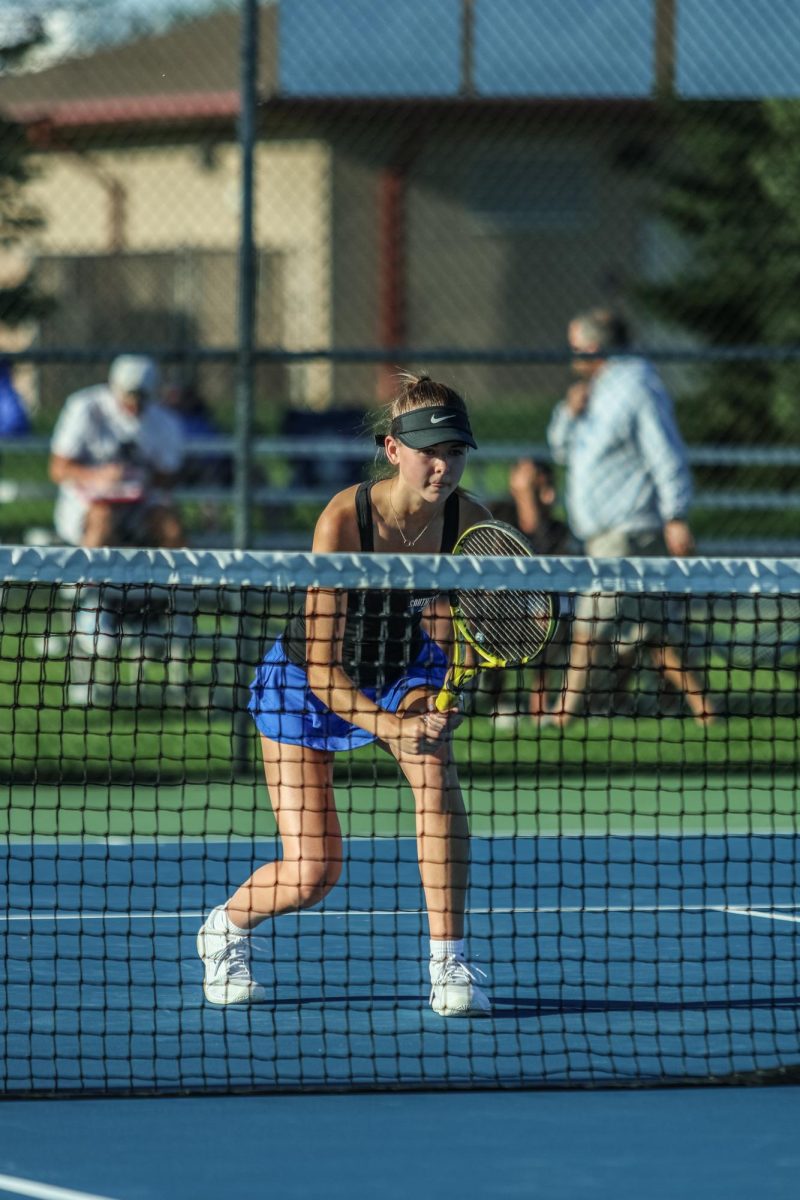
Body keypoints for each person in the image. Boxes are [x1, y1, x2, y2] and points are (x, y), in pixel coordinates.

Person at [197, 374, 494, 1017]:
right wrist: (390, 727)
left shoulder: (470, 521)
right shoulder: (343, 520)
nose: (444, 465)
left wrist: (448, 692)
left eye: (457, 451)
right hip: (307, 686)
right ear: (393, 449)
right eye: (429, 451)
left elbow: (470, 626)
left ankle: (450, 962)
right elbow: (326, 671)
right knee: (313, 873)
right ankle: (224, 930)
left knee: (435, 773)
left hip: (403, 670)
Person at [545, 308, 714, 727]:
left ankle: (562, 716)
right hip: (600, 537)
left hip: (629, 532)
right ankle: (707, 712)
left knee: (590, 624)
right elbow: (560, 449)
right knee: (653, 634)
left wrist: (675, 515)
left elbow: (665, 452)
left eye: (575, 347)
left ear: (594, 346)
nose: (571, 355)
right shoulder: (591, 392)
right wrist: (569, 413)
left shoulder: (637, 385)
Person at [49, 354, 185, 550]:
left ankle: (175, 581)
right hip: (86, 502)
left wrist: (138, 477)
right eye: (130, 395)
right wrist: (100, 477)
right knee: (102, 519)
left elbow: (169, 476)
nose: (135, 404)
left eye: (142, 397)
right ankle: (88, 581)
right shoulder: (84, 408)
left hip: (141, 504)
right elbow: (58, 469)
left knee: (170, 528)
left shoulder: (165, 421)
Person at [490, 458, 574, 719]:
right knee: (492, 612)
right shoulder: (497, 513)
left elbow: (548, 571)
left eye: (532, 476)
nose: (524, 477)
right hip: (500, 604)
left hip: (543, 608)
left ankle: (540, 703)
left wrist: (539, 605)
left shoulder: (560, 531)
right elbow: (501, 562)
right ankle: (497, 701)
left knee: (557, 621)